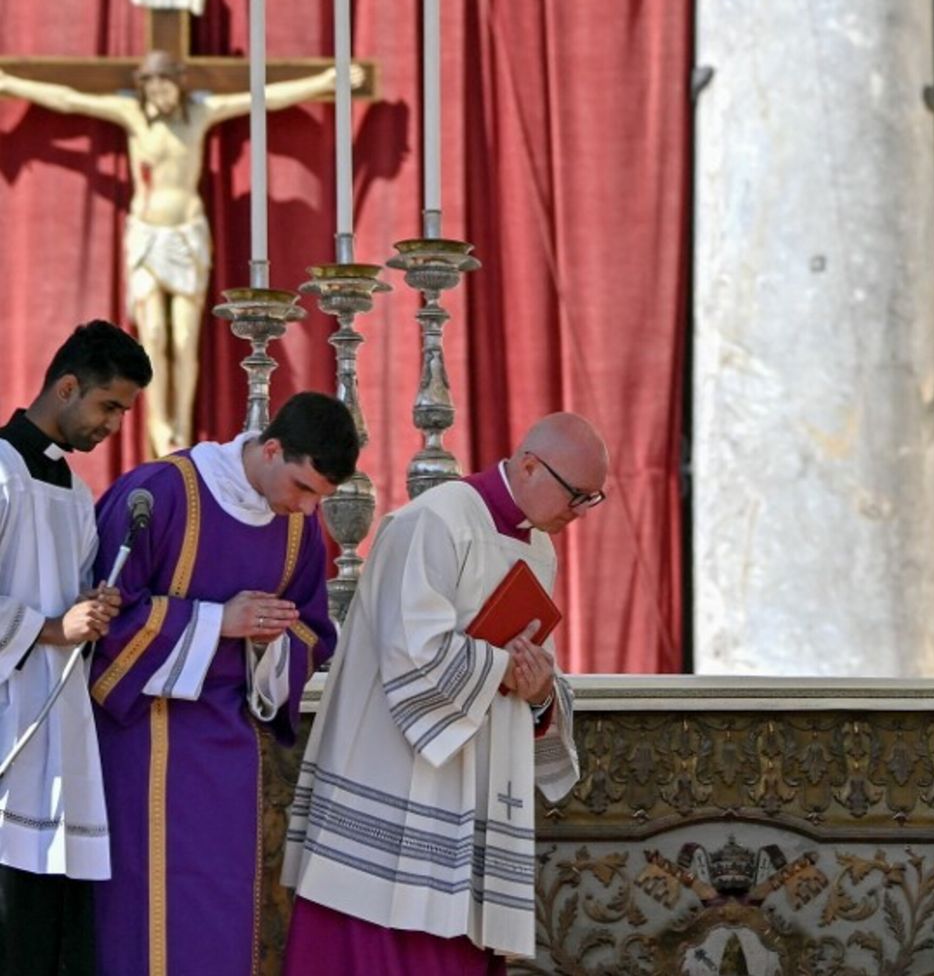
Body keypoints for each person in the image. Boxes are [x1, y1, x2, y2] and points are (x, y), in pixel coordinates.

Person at [281, 412, 608, 975]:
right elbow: (412, 652)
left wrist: (537, 692)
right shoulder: (435, 521)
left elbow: (521, 663)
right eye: (576, 495)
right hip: (400, 783)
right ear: (530, 465)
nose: (579, 514)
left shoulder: (539, 548)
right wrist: (504, 670)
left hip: (471, 789)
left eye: (592, 500)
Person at [87, 391, 358, 976]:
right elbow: (103, 621)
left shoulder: (296, 531)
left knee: (221, 919)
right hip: (143, 747)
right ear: (272, 448)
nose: (310, 512)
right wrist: (218, 622)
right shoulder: (159, 494)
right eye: (304, 489)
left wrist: (268, 641)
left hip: (233, 755)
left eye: (322, 499)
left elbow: (312, 634)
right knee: (143, 919)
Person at [0, 52, 363, 457]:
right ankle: (159, 432)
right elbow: (69, 99)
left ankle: (181, 427)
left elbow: (261, 97)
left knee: (185, 336)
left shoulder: (201, 112)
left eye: (166, 85)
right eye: (152, 87)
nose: (160, 94)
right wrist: (11, 85)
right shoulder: (133, 116)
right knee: (152, 333)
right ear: (144, 87)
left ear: (177, 84)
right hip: (147, 236)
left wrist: (324, 82)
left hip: (186, 235)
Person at [0, 321, 151, 975]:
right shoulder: (1, 472)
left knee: (57, 939)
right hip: (11, 731)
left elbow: (70, 603)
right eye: (108, 406)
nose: (114, 425)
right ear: (67, 386)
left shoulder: (76, 493)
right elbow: (50, 618)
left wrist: (96, 607)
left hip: (61, 738)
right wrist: (52, 627)